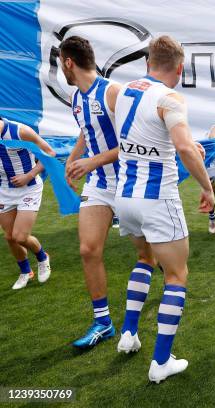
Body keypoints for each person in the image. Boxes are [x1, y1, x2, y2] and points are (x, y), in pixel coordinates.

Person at [113, 35, 215, 383]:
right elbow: (184, 147)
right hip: (157, 199)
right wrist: (207, 186)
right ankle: (160, 362)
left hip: (124, 197)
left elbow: (151, 137)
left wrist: (185, 146)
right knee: (176, 276)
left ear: (147, 63)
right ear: (181, 67)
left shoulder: (123, 91)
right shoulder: (171, 98)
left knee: (144, 260)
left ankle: (128, 334)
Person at [60, 35, 158, 349]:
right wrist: (75, 158)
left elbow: (133, 142)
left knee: (146, 255)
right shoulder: (76, 98)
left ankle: (167, 273)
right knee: (88, 250)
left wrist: (91, 161)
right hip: (99, 184)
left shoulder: (113, 93)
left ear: (68, 62)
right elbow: (87, 131)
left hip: (130, 182)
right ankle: (103, 323)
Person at [0, 117, 54, 290]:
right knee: (9, 237)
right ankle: (25, 272)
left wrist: (28, 176)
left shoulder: (20, 131)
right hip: (4, 190)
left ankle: (42, 257)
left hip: (29, 187)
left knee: (20, 236)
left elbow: (49, 153)